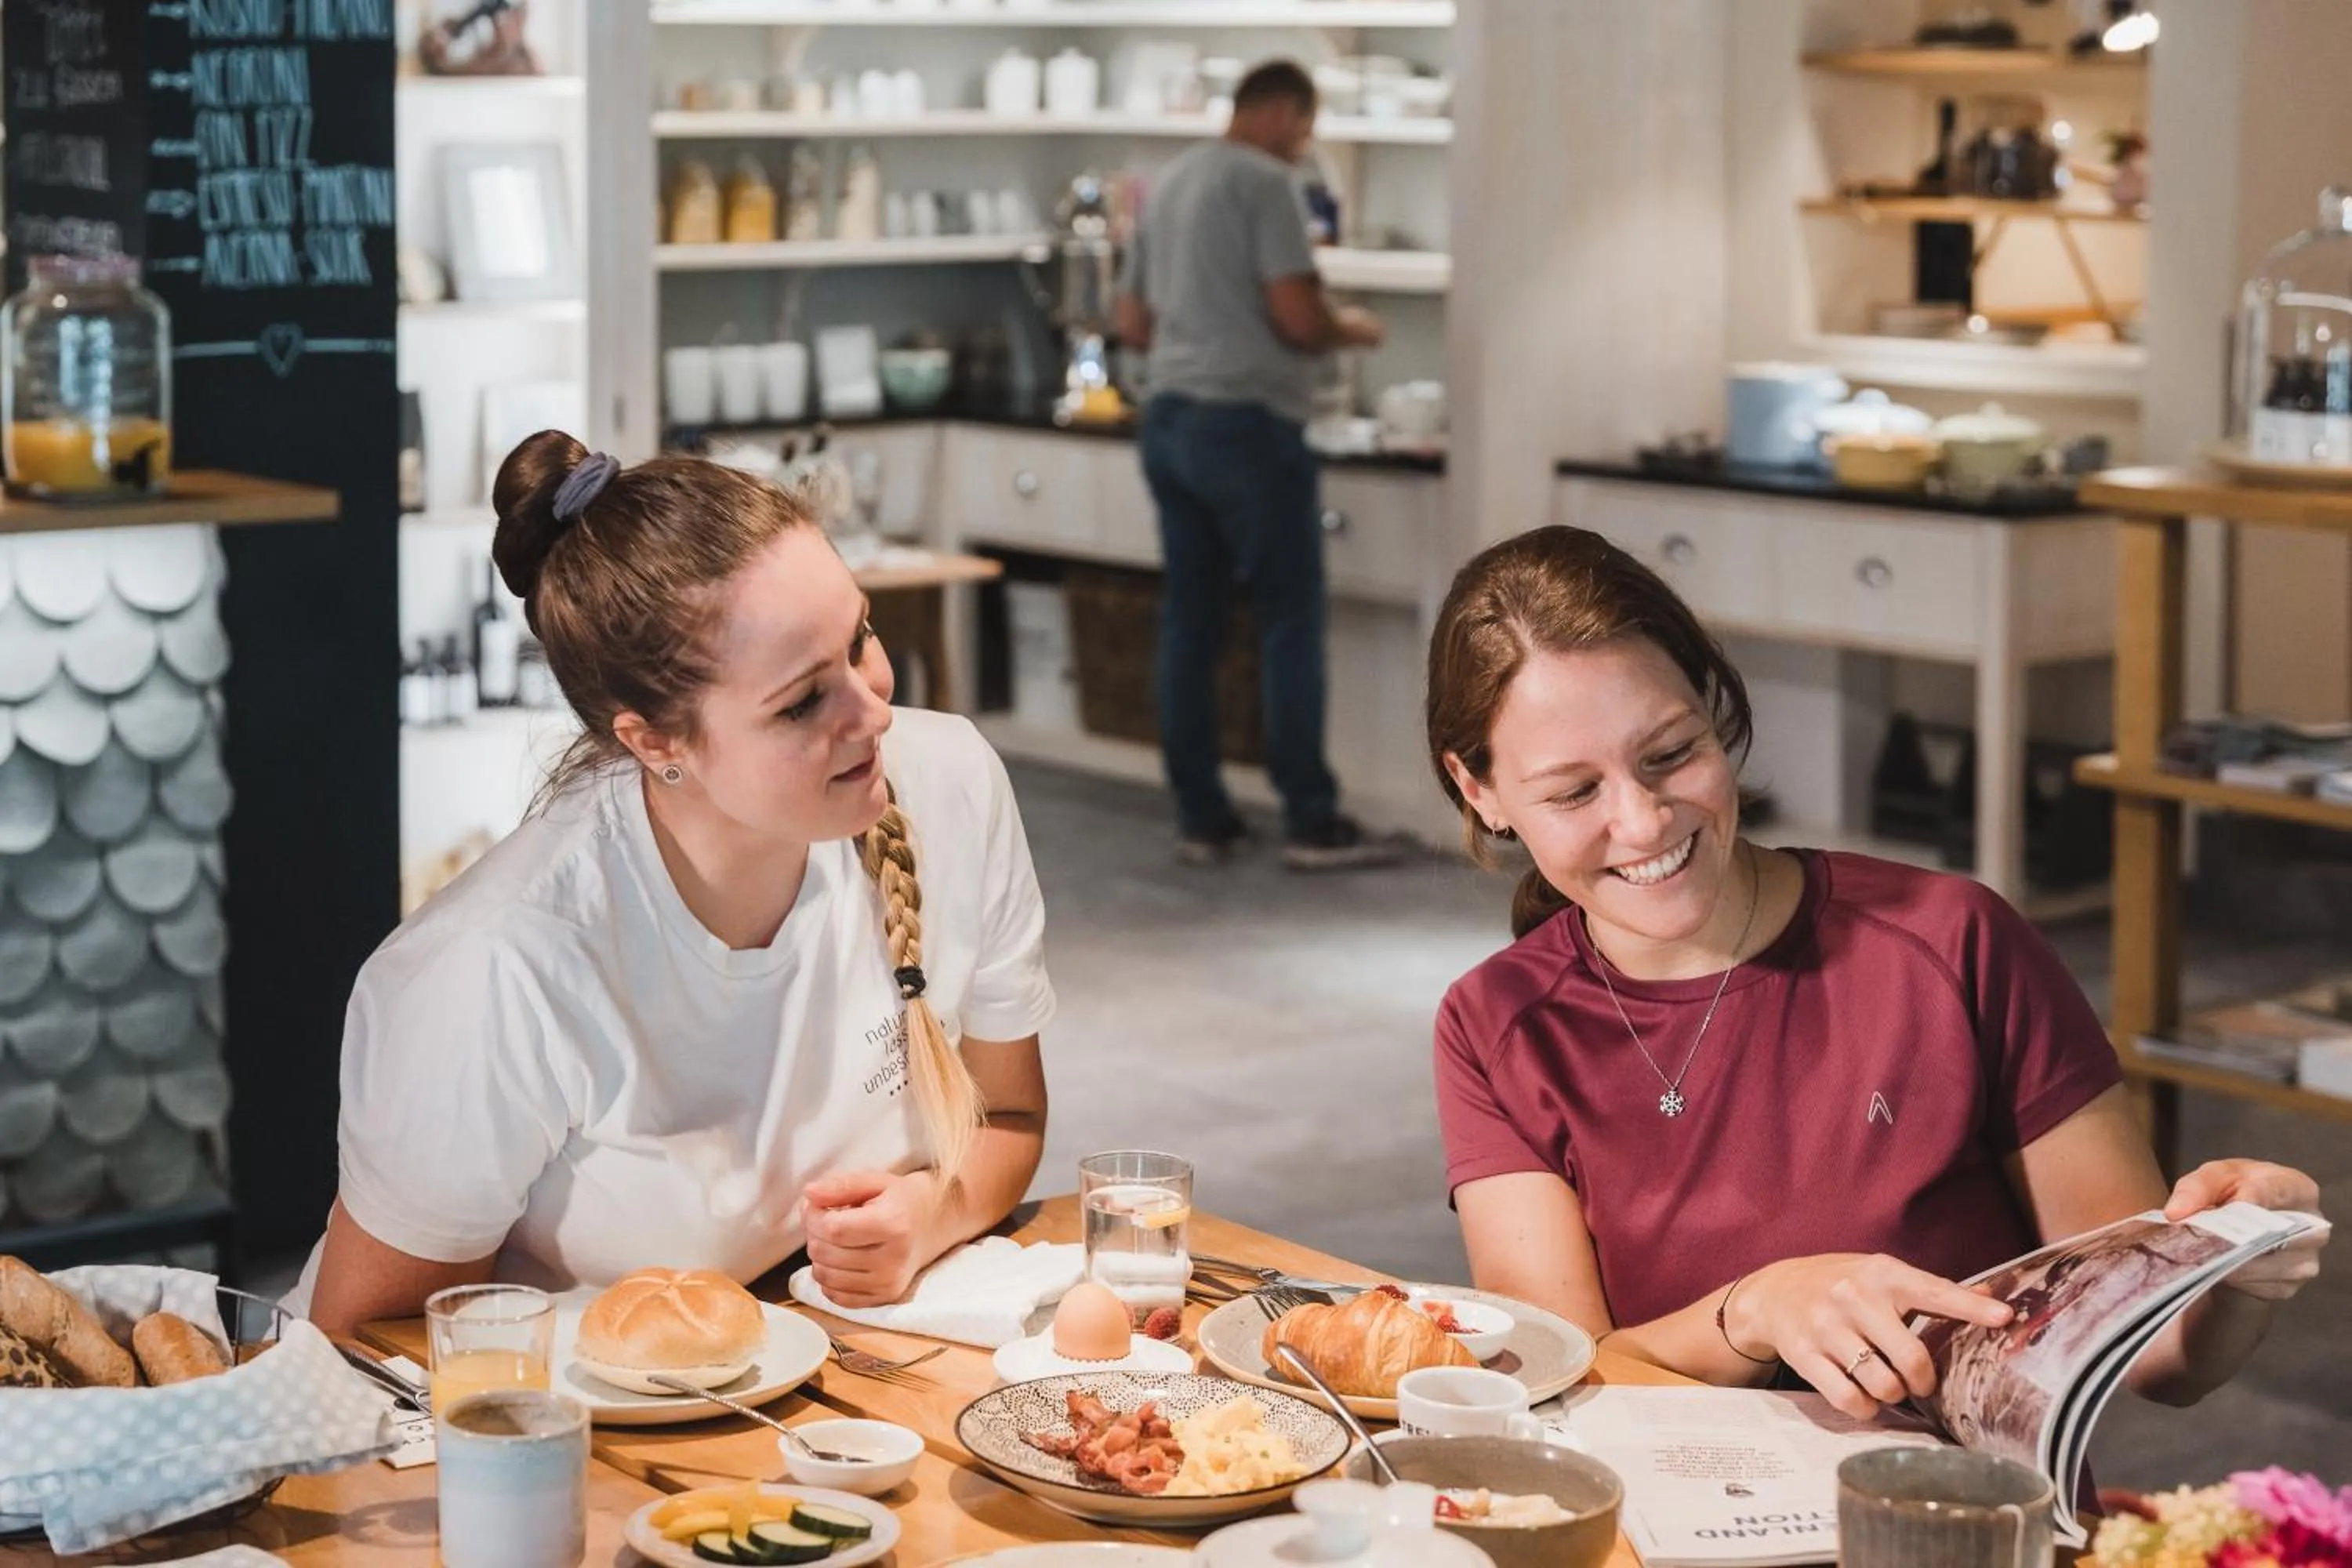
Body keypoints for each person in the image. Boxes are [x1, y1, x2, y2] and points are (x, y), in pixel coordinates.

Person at [1424, 524, 2329, 1419]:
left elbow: (2155, 1354)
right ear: (1480, 790)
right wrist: (1754, 1312)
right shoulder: (1495, 1023)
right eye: (1575, 792)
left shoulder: (1954, 942)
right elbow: (1561, 1383)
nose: (1645, 820)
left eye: (1671, 754)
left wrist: (2243, 1268)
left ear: (1712, 709)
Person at [290, 435, 1054, 1335]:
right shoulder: (494, 966)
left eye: (862, 637)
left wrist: (932, 1213)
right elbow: (374, 1345)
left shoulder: (950, 783)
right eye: (805, 701)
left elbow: (1007, 1113)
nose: (875, 708)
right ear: (656, 742)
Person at [1114, 58, 1396, 871]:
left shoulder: (1168, 183)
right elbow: (1298, 316)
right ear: (1279, 113)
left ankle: (1202, 816)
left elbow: (1132, 322)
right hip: (1246, 425)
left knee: (1190, 620)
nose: (1304, 146)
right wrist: (1356, 329)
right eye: (1305, 129)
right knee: (1288, 619)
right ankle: (1311, 817)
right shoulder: (1267, 183)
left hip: (1168, 420)